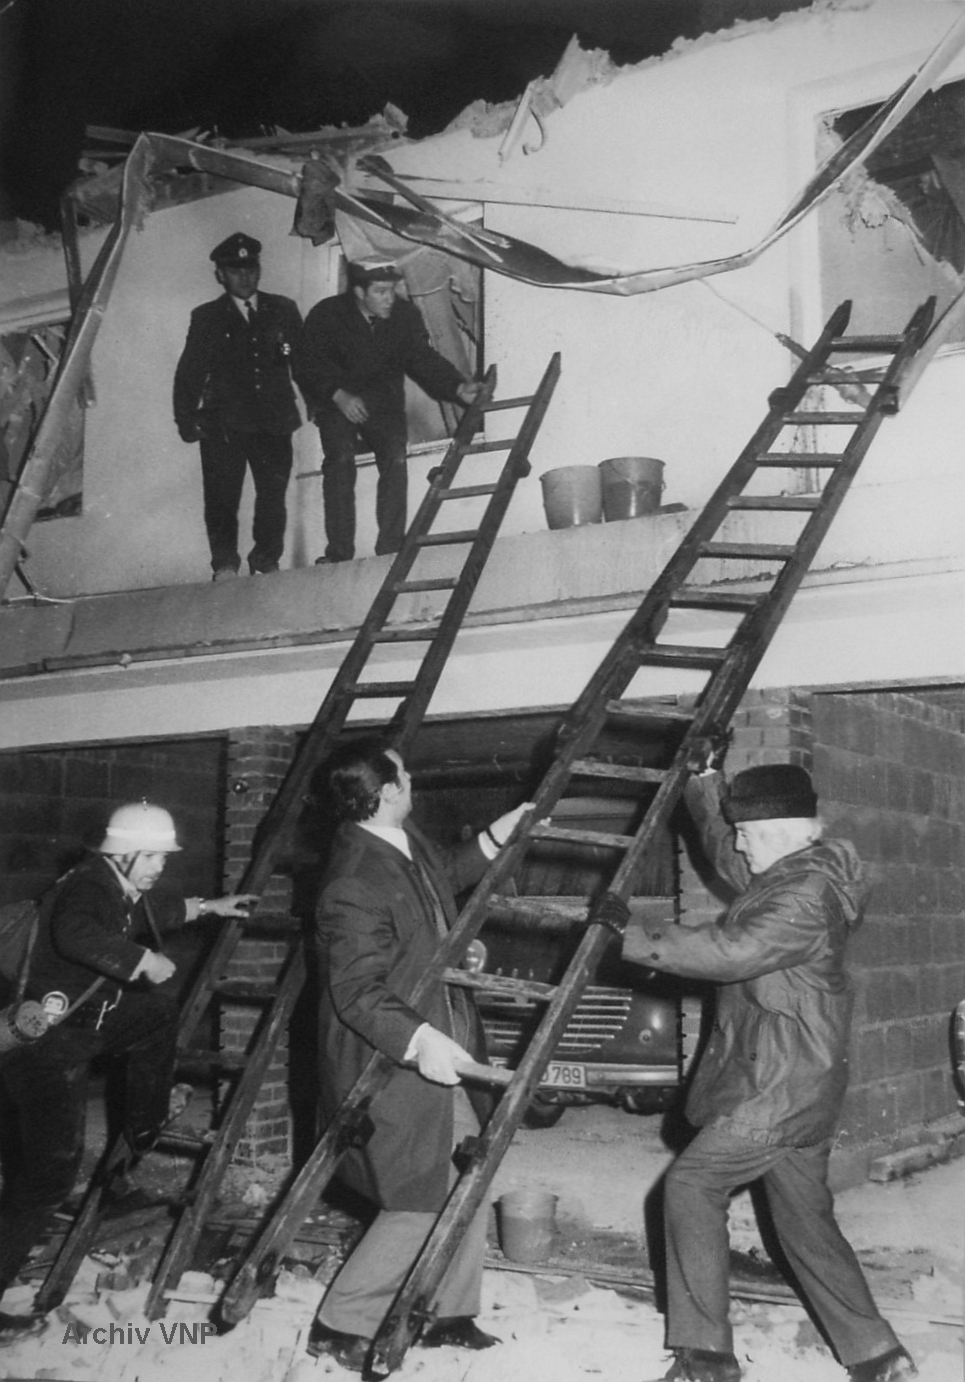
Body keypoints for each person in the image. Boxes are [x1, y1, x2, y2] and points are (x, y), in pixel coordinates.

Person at [617, 751, 917, 1382]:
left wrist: (630, 934)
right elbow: (723, 851)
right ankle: (878, 1355)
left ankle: (706, 1358)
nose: (739, 846)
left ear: (779, 835)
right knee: (805, 1223)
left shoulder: (803, 895)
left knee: (692, 1186)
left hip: (778, 1086)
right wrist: (705, 783)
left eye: (747, 834)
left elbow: (734, 950)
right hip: (799, 1080)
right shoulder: (792, 871)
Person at [307, 737, 530, 1372]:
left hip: (442, 1036)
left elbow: (442, 880)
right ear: (386, 791)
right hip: (387, 1057)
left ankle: (446, 1313)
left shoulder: (399, 840)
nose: (412, 780)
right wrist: (420, 1040)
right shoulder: (352, 880)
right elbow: (356, 991)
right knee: (420, 1192)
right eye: (403, 774)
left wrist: (496, 835)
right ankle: (339, 1323)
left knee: (469, 1169)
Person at [0, 802, 256, 1315]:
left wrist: (210, 906)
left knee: (156, 1014)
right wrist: (141, 959)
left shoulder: (115, 887)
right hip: (47, 1048)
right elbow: (75, 933)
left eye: (164, 857)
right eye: (153, 856)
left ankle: (144, 1123)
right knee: (50, 1178)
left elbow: (152, 911)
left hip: (84, 1029)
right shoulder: (89, 886)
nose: (161, 865)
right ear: (123, 852)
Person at [293, 256, 481, 564]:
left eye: (392, 290)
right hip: (336, 398)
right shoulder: (327, 314)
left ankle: (391, 547)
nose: (389, 298)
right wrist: (338, 395)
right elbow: (306, 364)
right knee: (340, 459)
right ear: (359, 292)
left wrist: (457, 387)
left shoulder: (404, 316)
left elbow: (422, 358)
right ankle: (339, 553)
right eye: (380, 292)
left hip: (383, 402)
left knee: (395, 457)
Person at [173, 232, 304, 580]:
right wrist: (186, 420)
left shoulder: (283, 309)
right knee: (222, 499)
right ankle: (225, 564)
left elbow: (304, 362)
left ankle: (265, 557)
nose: (245, 277)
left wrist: (320, 402)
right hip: (224, 425)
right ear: (220, 274)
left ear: (259, 269)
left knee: (273, 495)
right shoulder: (207, 317)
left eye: (250, 269)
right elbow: (189, 372)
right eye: (235, 271)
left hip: (274, 420)